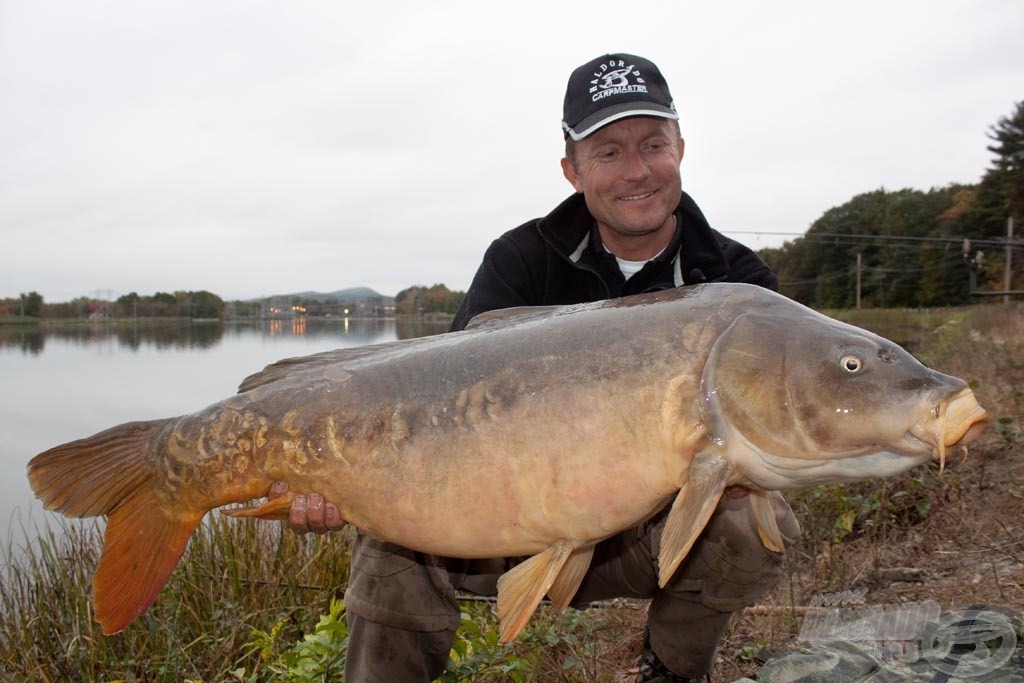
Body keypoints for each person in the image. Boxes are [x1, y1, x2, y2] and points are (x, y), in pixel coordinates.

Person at [277, 53, 800, 683]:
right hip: (491, 528)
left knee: (752, 525)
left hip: (638, 535)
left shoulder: (739, 285)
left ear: (680, 149)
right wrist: (334, 476)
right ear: (572, 171)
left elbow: (785, 426)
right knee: (391, 547)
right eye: (608, 152)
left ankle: (670, 668)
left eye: (653, 144)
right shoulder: (520, 260)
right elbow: (432, 411)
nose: (637, 171)